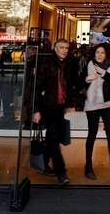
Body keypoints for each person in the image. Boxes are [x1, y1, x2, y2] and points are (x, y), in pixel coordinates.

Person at [32, 39, 72, 185]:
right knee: (54, 139)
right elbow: (36, 87)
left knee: (52, 137)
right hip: (47, 107)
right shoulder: (46, 64)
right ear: (55, 48)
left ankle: (45, 164)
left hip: (59, 107)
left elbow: (67, 84)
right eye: (61, 47)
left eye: (66, 48)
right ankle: (61, 173)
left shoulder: (66, 64)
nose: (64, 50)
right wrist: (35, 110)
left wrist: (67, 102)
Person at [82, 44, 110, 181]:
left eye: (102, 53)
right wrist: (86, 79)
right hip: (92, 103)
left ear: (106, 55)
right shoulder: (87, 65)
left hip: (107, 103)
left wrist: (104, 74)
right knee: (92, 134)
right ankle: (88, 167)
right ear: (94, 54)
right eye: (98, 52)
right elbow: (79, 81)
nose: (100, 55)